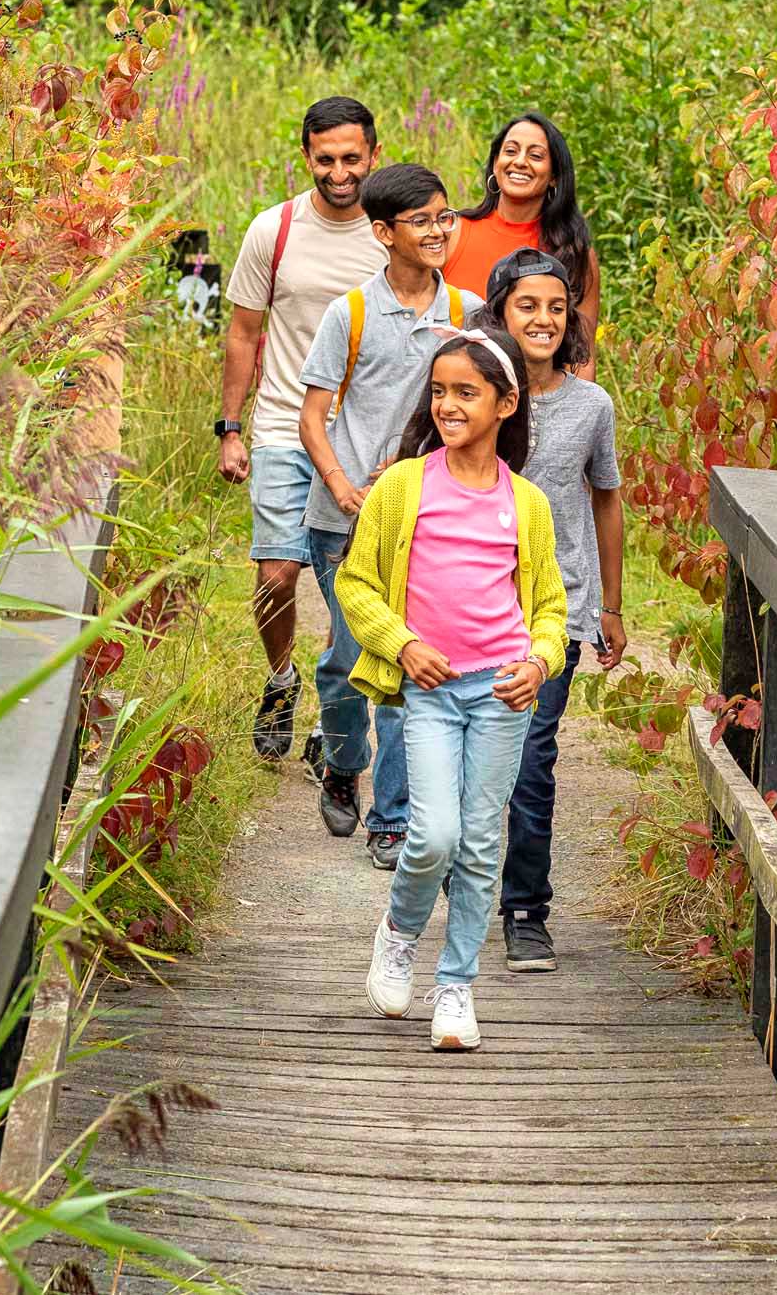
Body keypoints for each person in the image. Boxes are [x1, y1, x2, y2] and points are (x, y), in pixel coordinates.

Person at [335, 328, 569, 1049]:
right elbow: (355, 582)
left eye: (466, 392)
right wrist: (402, 643)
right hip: (431, 693)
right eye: (439, 390)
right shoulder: (404, 486)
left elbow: (550, 608)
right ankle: (401, 932)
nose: (447, 403)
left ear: (506, 402)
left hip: (500, 695)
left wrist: (540, 660)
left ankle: (457, 985)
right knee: (433, 832)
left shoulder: (526, 503)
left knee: (477, 842)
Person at [297, 163, 482, 867]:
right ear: (382, 232)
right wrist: (344, 486)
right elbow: (312, 416)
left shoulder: (464, 312)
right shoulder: (352, 313)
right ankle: (344, 758)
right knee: (350, 662)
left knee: (401, 666)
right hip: (342, 522)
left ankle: (393, 817)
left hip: (424, 521)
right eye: (421, 221)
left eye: (445, 217)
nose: (438, 231)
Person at [216, 98, 388, 771]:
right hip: (285, 428)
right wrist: (230, 429)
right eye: (326, 159)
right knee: (278, 574)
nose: (340, 172)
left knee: (351, 587)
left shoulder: (391, 232)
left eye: (352, 158)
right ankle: (281, 677)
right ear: (306, 156)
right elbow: (243, 332)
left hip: (362, 440)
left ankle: (334, 707)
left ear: (374, 154)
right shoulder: (275, 230)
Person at [481, 248, 625, 973]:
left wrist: (612, 606)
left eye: (556, 307)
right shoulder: (470, 389)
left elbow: (605, 497)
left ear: (570, 319)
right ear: (501, 310)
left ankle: (526, 907)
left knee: (533, 758)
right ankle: (461, 879)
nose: (542, 319)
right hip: (468, 605)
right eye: (527, 305)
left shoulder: (592, 406)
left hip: (555, 611)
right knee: (479, 760)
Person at [440, 112, 601, 364]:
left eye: (535, 156)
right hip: (456, 393)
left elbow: (583, 355)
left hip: (538, 397)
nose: (520, 162)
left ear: (555, 176)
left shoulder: (572, 252)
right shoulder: (452, 231)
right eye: (511, 151)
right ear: (495, 163)